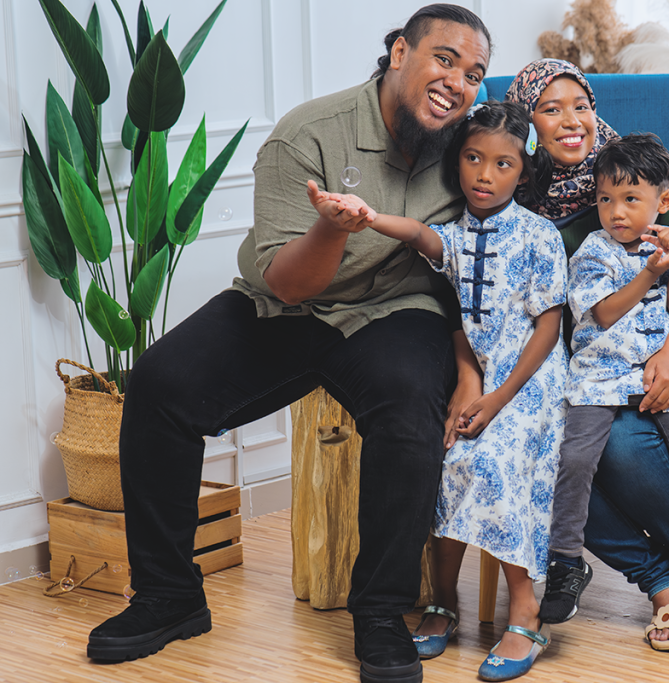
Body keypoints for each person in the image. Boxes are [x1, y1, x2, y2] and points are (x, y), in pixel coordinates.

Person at [86, 6, 492, 683]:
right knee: (159, 383)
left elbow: (562, 140)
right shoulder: (307, 134)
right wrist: (331, 228)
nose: (458, 81)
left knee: (408, 405)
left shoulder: (466, 143)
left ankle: (380, 612)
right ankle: (168, 595)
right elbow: (288, 283)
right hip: (287, 300)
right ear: (399, 52)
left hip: (394, 309)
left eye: (474, 73)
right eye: (444, 59)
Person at [309, 100, 567, 682]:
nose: (484, 174)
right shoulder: (454, 235)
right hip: (475, 375)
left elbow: (549, 330)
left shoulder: (540, 236)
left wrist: (497, 399)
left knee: (492, 460)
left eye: (502, 164)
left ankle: (526, 613)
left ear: (524, 172)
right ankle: (443, 601)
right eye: (473, 158)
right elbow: (420, 236)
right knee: (443, 459)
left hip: (530, 380)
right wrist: (367, 216)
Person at [505, 59, 669, 648]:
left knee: (643, 452)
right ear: (527, 124)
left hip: (665, 353)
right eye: (550, 109)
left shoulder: (638, 178)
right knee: (559, 455)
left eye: (581, 106)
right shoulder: (519, 198)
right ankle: (662, 584)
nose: (572, 121)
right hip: (582, 366)